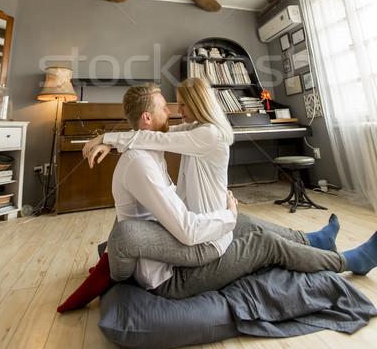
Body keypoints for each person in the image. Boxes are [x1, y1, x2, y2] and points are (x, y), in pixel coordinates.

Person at [57, 81, 377, 311]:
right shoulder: (152, 154)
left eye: (180, 105)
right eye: (168, 106)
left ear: (195, 106)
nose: (174, 111)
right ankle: (345, 261)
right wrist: (108, 138)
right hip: (172, 271)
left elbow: (153, 136)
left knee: (248, 223)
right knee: (261, 240)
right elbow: (150, 140)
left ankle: (312, 241)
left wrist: (110, 137)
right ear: (148, 118)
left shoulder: (201, 133)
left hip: (173, 246)